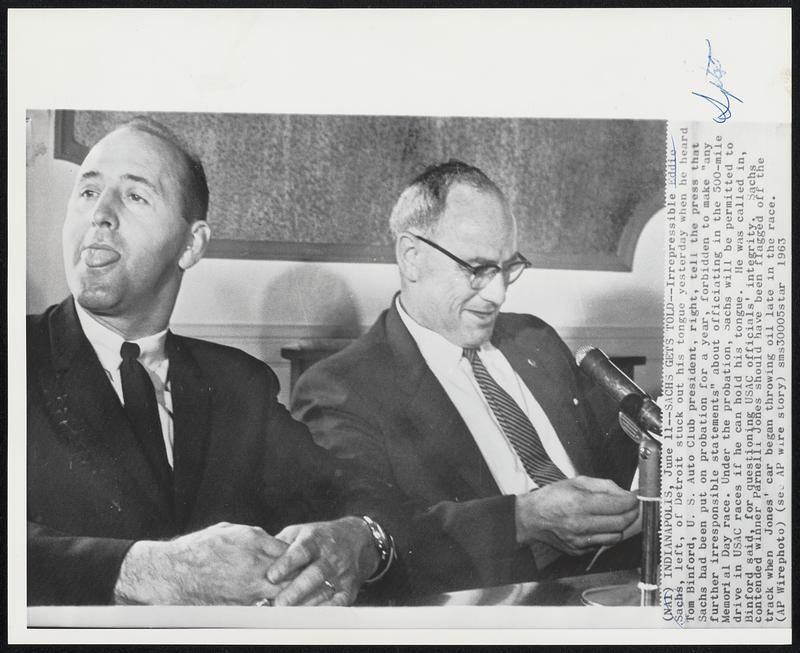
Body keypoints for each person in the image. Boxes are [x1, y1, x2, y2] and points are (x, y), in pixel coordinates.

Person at [27, 117, 400, 606]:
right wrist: (147, 570)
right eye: (88, 192)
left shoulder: (238, 385)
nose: (100, 215)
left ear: (192, 244)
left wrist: (355, 540)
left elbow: (363, 494)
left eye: (135, 196)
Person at [292, 160, 641, 594]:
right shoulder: (340, 388)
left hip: (622, 585)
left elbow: (625, 461)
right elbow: (372, 536)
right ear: (411, 257)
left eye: (508, 268)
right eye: (477, 269)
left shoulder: (536, 339)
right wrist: (523, 519)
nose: (498, 294)